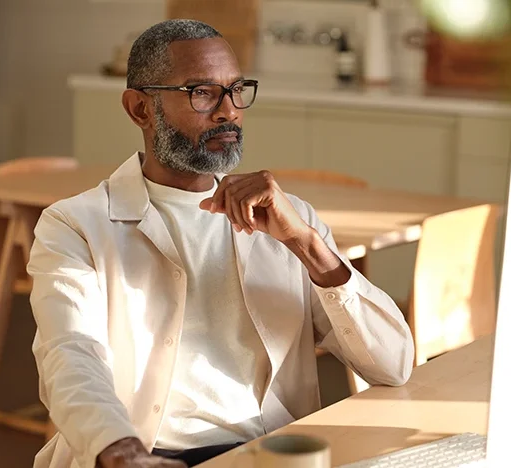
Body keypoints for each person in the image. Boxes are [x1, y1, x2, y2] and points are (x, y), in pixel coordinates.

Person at [27, 19, 414, 468]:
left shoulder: (291, 221)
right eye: (202, 92)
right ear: (140, 110)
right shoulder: (74, 225)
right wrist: (123, 451)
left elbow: (394, 364)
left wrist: (307, 245)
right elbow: (70, 356)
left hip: (271, 455)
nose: (229, 111)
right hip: (142, 456)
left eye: (236, 90)